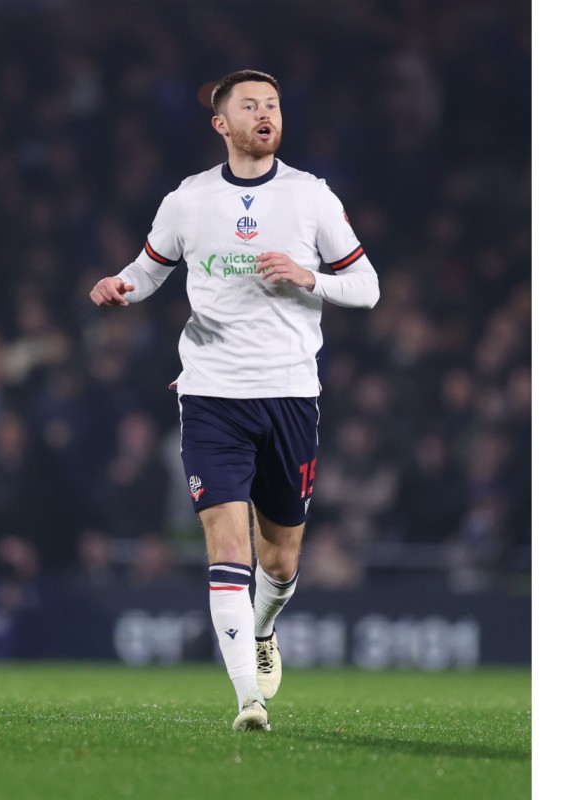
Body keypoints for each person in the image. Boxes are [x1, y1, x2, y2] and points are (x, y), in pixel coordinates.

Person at [90, 69, 380, 731]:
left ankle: (264, 626)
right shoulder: (188, 201)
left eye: (272, 104)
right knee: (227, 544)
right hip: (212, 394)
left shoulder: (310, 197)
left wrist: (311, 277)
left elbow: (367, 287)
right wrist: (121, 286)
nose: (264, 114)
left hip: (289, 396)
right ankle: (248, 700)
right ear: (221, 124)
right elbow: (149, 269)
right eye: (249, 106)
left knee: (280, 560)